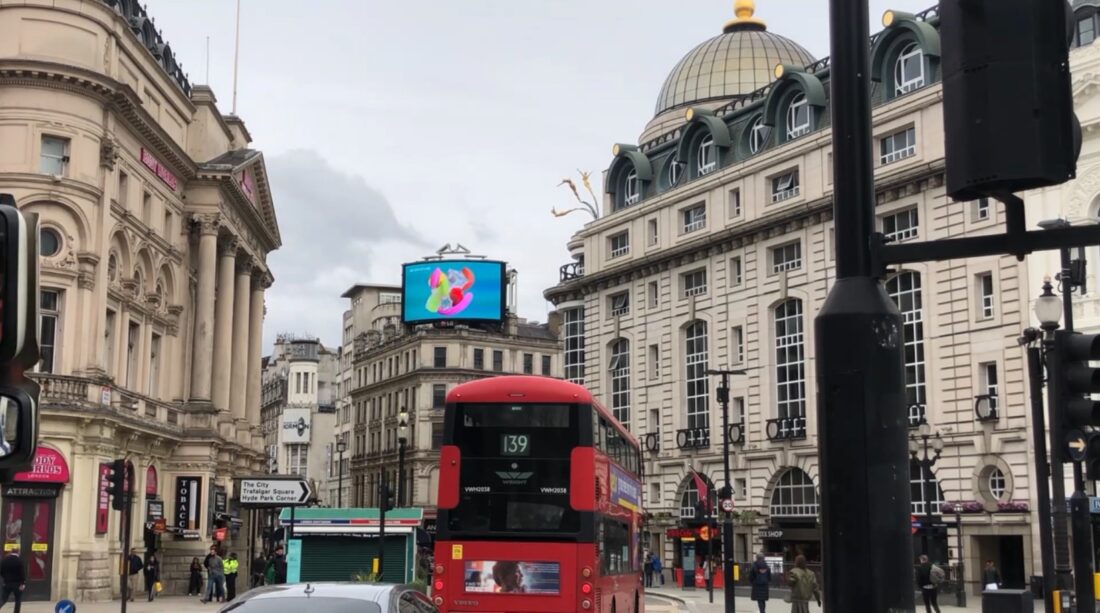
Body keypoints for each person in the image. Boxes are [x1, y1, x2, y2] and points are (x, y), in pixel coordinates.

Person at [0, 548, 25, 613]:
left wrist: (5, 578)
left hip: (7, 583)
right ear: (18, 552)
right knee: (18, 600)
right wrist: (22, 583)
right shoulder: (19, 561)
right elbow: (22, 573)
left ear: (11, 552)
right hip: (17, 584)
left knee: (3, 599)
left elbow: (1, 571)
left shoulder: (5, 560)